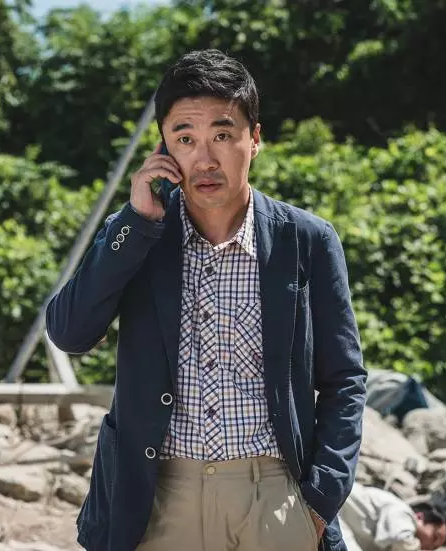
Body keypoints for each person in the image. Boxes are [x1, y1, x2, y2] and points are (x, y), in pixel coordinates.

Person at [46, 49, 367, 551]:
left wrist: (319, 502)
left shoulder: (306, 240)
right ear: (164, 148)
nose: (205, 159)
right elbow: (69, 332)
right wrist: (136, 222)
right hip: (157, 499)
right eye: (185, 139)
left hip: (274, 497)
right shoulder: (138, 233)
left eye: (222, 135)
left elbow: (344, 379)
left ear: (254, 138)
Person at [338, 484, 446, 551]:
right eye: (434, 537)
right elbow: (399, 540)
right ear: (420, 517)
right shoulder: (403, 512)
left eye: (434, 548)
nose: (429, 547)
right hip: (337, 506)